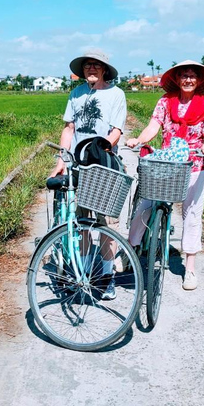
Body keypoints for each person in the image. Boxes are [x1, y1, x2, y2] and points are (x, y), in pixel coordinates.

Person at [126, 60, 204, 291]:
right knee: (145, 206)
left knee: (192, 214)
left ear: (199, 81)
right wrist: (139, 139)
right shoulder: (165, 102)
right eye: (184, 76)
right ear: (177, 79)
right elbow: (153, 127)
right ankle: (129, 250)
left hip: (195, 164)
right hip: (167, 163)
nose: (188, 80)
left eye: (192, 76)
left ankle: (190, 268)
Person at [50, 50, 127, 299]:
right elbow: (69, 129)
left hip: (103, 165)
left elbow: (116, 132)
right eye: (87, 66)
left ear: (104, 69)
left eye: (96, 65)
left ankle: (106, 277)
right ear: (82, 71)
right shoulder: (76, 93)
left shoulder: (116, 94)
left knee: (105, 223)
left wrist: (99, 149)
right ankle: (83, 275)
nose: (91, 69)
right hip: (78, 167)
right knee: (80, 222)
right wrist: (63, 158)